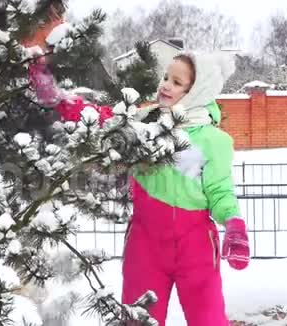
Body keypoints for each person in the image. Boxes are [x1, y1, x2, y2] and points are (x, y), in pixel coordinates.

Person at [28, 52, 250, 325]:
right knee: (137, 320)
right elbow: (102, 120)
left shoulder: (213, 141)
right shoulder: (144, 123)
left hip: (197, 248)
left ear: (196, 91)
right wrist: (58, 99)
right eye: (166, 77)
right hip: (145, 244)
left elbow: (219, 189)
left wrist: (234, 224)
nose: (166, 85)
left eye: (177, 82)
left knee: (208, 319)